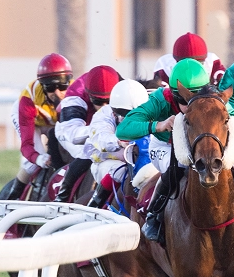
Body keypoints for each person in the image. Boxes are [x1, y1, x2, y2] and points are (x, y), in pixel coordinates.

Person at [116, 58, 215, 243]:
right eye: (184, 100)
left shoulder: (214, 99)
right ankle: (154, 216)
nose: (191, 107)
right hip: (164, 146)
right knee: (179, 166)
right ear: (174, 95)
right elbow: (122, 129)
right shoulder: (159, 100)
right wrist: (158, 125)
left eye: (197, 99)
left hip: (199, 147)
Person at [52, 65, 122, 202]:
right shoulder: (75, 95)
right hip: (70, 132)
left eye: (109, 101)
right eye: (98, 102)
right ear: (89, 96)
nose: (105, 107)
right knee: (88, 152)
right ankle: (63, 196)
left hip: (104, 130)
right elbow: (73, 135)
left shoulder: (122, 87)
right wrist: (100, 132)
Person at [9, 53, 74, 200]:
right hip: (33, 122)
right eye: (50, 87)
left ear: (69, 82)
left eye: (62, 86)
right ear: (42, 86)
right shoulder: (28, 99)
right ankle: (11, 198)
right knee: (32, 164)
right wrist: (38, 159)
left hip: (55, 124)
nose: (57, 93)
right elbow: (27, 145)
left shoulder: (76, 92)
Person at [83, 79, 151, 209]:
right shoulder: (103, 114)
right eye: (124, 114)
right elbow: (100, 137)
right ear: (114, 110)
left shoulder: (151, 111)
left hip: (137, 157)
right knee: (119, 172)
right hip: (106, 160)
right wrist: (119, 142)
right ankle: (94, 206)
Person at [152, 33, 226, 88]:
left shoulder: (213, 65)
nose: (191, 72)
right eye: (185, 65)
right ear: (175, 61)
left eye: (198, 63)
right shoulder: (164, 68)